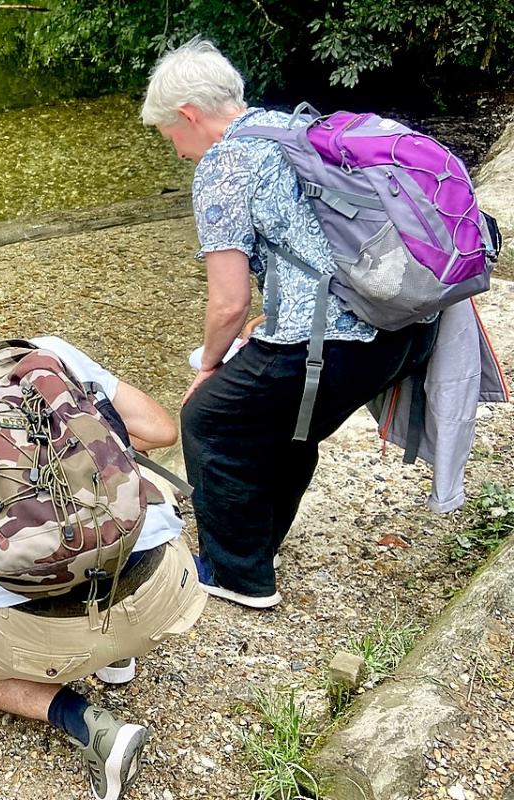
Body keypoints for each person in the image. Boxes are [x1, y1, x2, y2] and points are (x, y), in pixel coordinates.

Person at [140, 39, 437, 609]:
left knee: (209, 418)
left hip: (336, 341)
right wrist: (270, 320)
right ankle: (260, 545)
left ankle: (236, 575)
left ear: (189, 115)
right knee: (287, 424)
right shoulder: (292, 128)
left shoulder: (224, 165)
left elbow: (226, 303)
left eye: (169, 136)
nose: (177, 152)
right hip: (404, 329)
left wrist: (206, 366)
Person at [0, 317, 206, 800]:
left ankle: (91, 728)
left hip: (54, 633)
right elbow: (161, 428)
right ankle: (120, 661)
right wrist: (93, 457)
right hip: (169, 590)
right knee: (105, 524)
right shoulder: (49, 352)